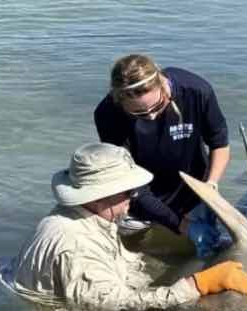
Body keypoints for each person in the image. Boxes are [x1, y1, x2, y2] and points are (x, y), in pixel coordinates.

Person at [13, 143, 247, 311]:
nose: (134, 197)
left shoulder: (74, 216)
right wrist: (195, 285)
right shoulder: (78, 247)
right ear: (100, 197)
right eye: (128, 191)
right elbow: (113, 303)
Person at [94, 54, 230, 257]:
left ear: (161, 83)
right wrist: (183, 227)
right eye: (139, 113)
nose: (151, 116)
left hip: (191, 192)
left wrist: (210, 187)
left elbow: (220, 145)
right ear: (119, 101)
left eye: (157, 106)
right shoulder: (107, 114)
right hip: (138, 201)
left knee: (212, 251)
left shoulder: (196, 91)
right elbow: (133, 187)